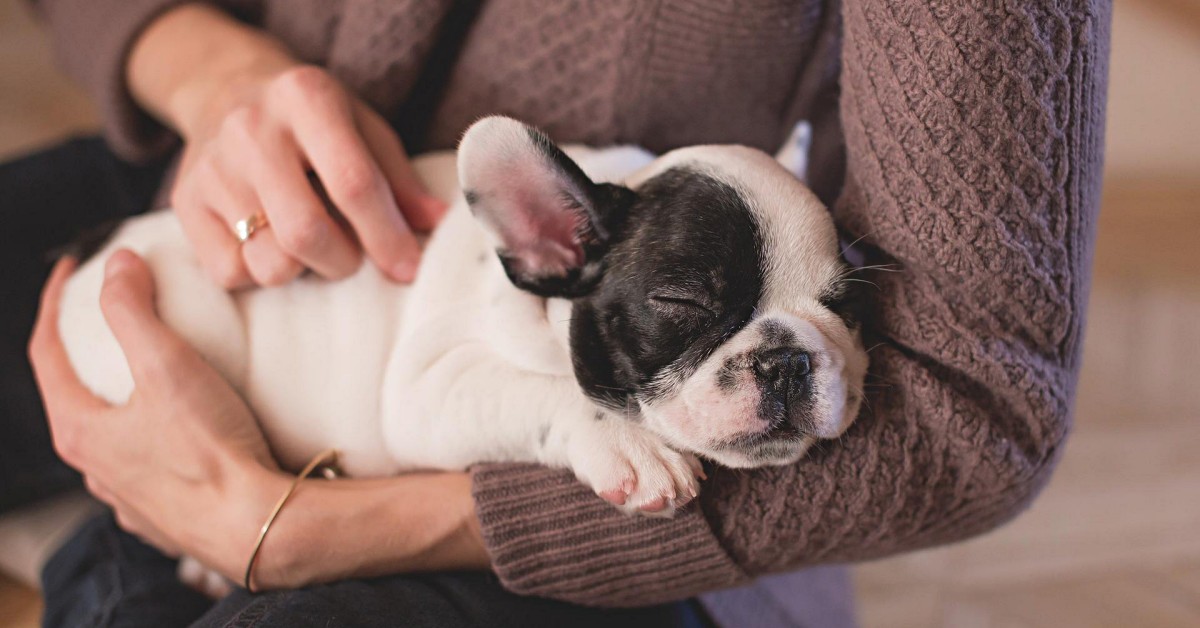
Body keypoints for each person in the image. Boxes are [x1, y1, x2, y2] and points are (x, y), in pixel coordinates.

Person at [3, 0, 1111, 626]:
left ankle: (110, 562)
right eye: (693, 315)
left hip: (535, 507)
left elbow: (977, 402)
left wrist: (300, 532)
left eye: (832, 310)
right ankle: (119, 550)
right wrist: (206, 68)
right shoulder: (568, 239)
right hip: (226, 212)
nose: (780, 360)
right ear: (544, 245)